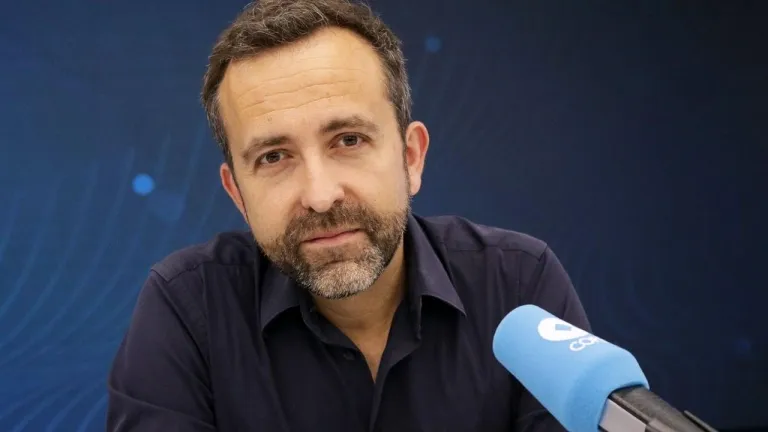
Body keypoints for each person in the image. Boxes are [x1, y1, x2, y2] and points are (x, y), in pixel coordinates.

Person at [106, 0, 590, 430]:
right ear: (238, 195)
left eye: (349, 140)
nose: (320, 196)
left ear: (411, 158)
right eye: (274, 157)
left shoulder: (519, 287)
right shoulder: (188, 310)